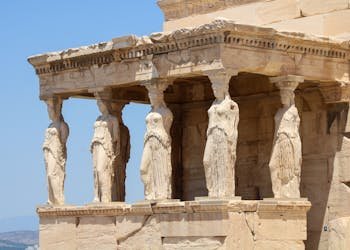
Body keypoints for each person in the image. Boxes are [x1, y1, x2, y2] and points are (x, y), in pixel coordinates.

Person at [43, 97, 69, 205]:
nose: (49, 113)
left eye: (51, 110)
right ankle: (51, 199)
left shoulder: (62, 125)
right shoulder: (50, 125)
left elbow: (63, 142)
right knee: (48, 175)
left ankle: (58, 199)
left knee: (52, 174)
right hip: (48, 152)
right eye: (48, 110)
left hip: (56, 153)